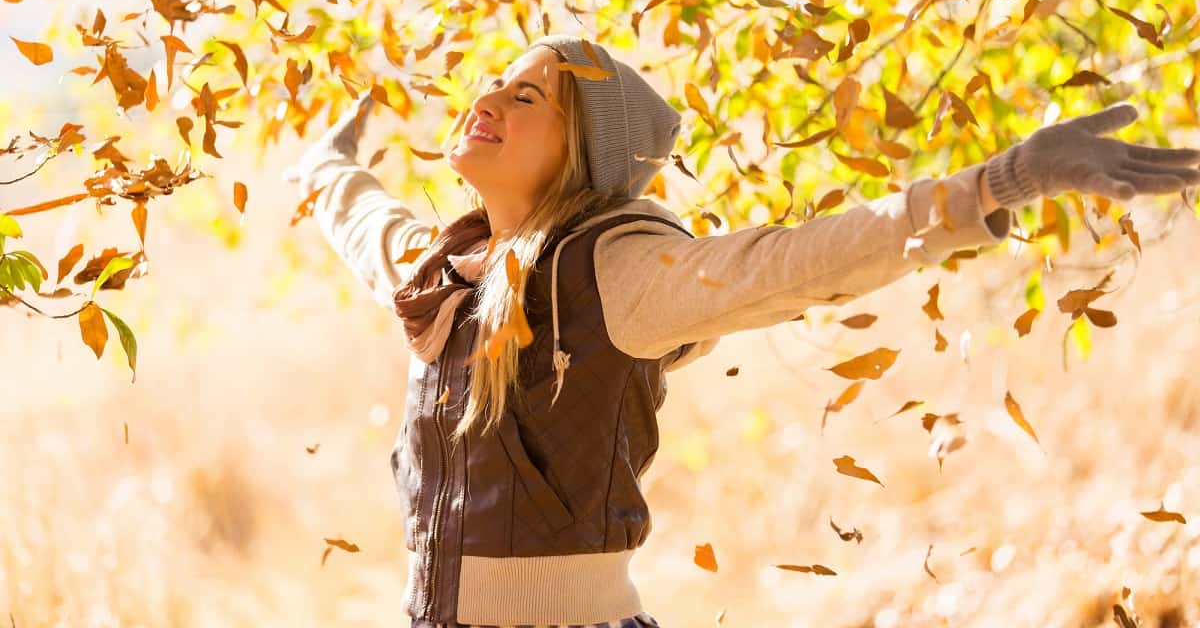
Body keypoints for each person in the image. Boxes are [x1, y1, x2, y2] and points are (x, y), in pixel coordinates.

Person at [283, 35, 1200, 628]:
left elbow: (793, 261)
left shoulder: (616, 270)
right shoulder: (443, 267)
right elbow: (362, 216)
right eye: (497, 80)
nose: (489, 97)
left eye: (529, 98)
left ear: (583, 153)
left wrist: (995, 185)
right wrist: (325, 162)